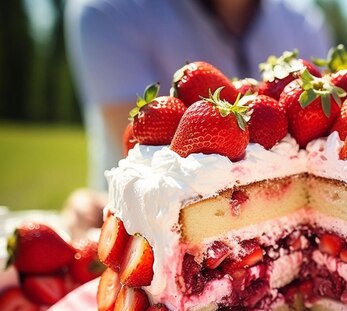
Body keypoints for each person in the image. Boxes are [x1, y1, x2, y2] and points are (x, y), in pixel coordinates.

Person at [62, 0, 332, 237]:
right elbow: (152, 152)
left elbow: (321, 129)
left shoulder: (304, 21)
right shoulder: (111, 10)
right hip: (149, 230)